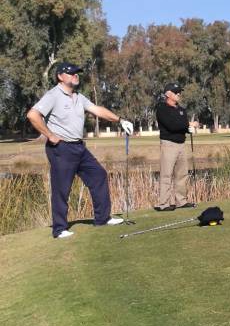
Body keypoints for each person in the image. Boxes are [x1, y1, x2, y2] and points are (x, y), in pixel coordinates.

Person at [27, 62, 134, 239]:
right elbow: (33, 115)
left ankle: (102, 218)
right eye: (72, 73)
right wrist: (50, 135)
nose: (76, 75)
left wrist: (120, 120)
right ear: (61, 76)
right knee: (62, 188)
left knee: (98, 175)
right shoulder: (53, 95)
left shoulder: (78, 97)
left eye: (77, 73)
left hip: (78, 147)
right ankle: (60, 229)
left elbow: (97, 110)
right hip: (60, 148)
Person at [155, 82, 199, 211]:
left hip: (181, 145)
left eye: (179, 92)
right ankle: (164, 204)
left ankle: (181, 201)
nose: (179, 94)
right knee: (166, 175)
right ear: (168, 94)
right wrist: (188, 125)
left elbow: (181, 125)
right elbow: (172, 126)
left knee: (182, 174)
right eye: (176, 92)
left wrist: (188, 129)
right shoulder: (161, 109)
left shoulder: (181, 109)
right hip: (168, 145)